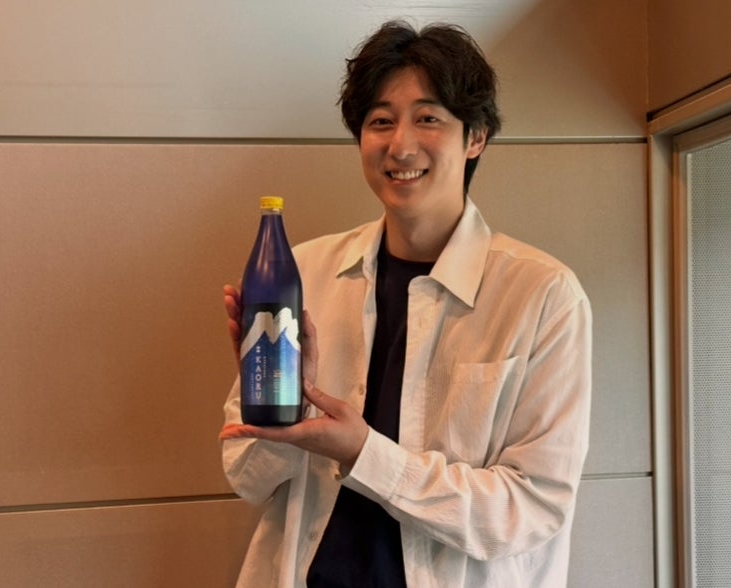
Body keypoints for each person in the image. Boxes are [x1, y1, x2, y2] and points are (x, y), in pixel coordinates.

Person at [220, 20, 592, 588]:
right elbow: (244, 478)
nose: (400, 145)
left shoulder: (542, 296)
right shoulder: (304, 272)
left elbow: (531, 508)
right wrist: (279, 409)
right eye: (380, 121)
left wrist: (364, 454)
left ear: (475, 137)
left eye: (428, 118)